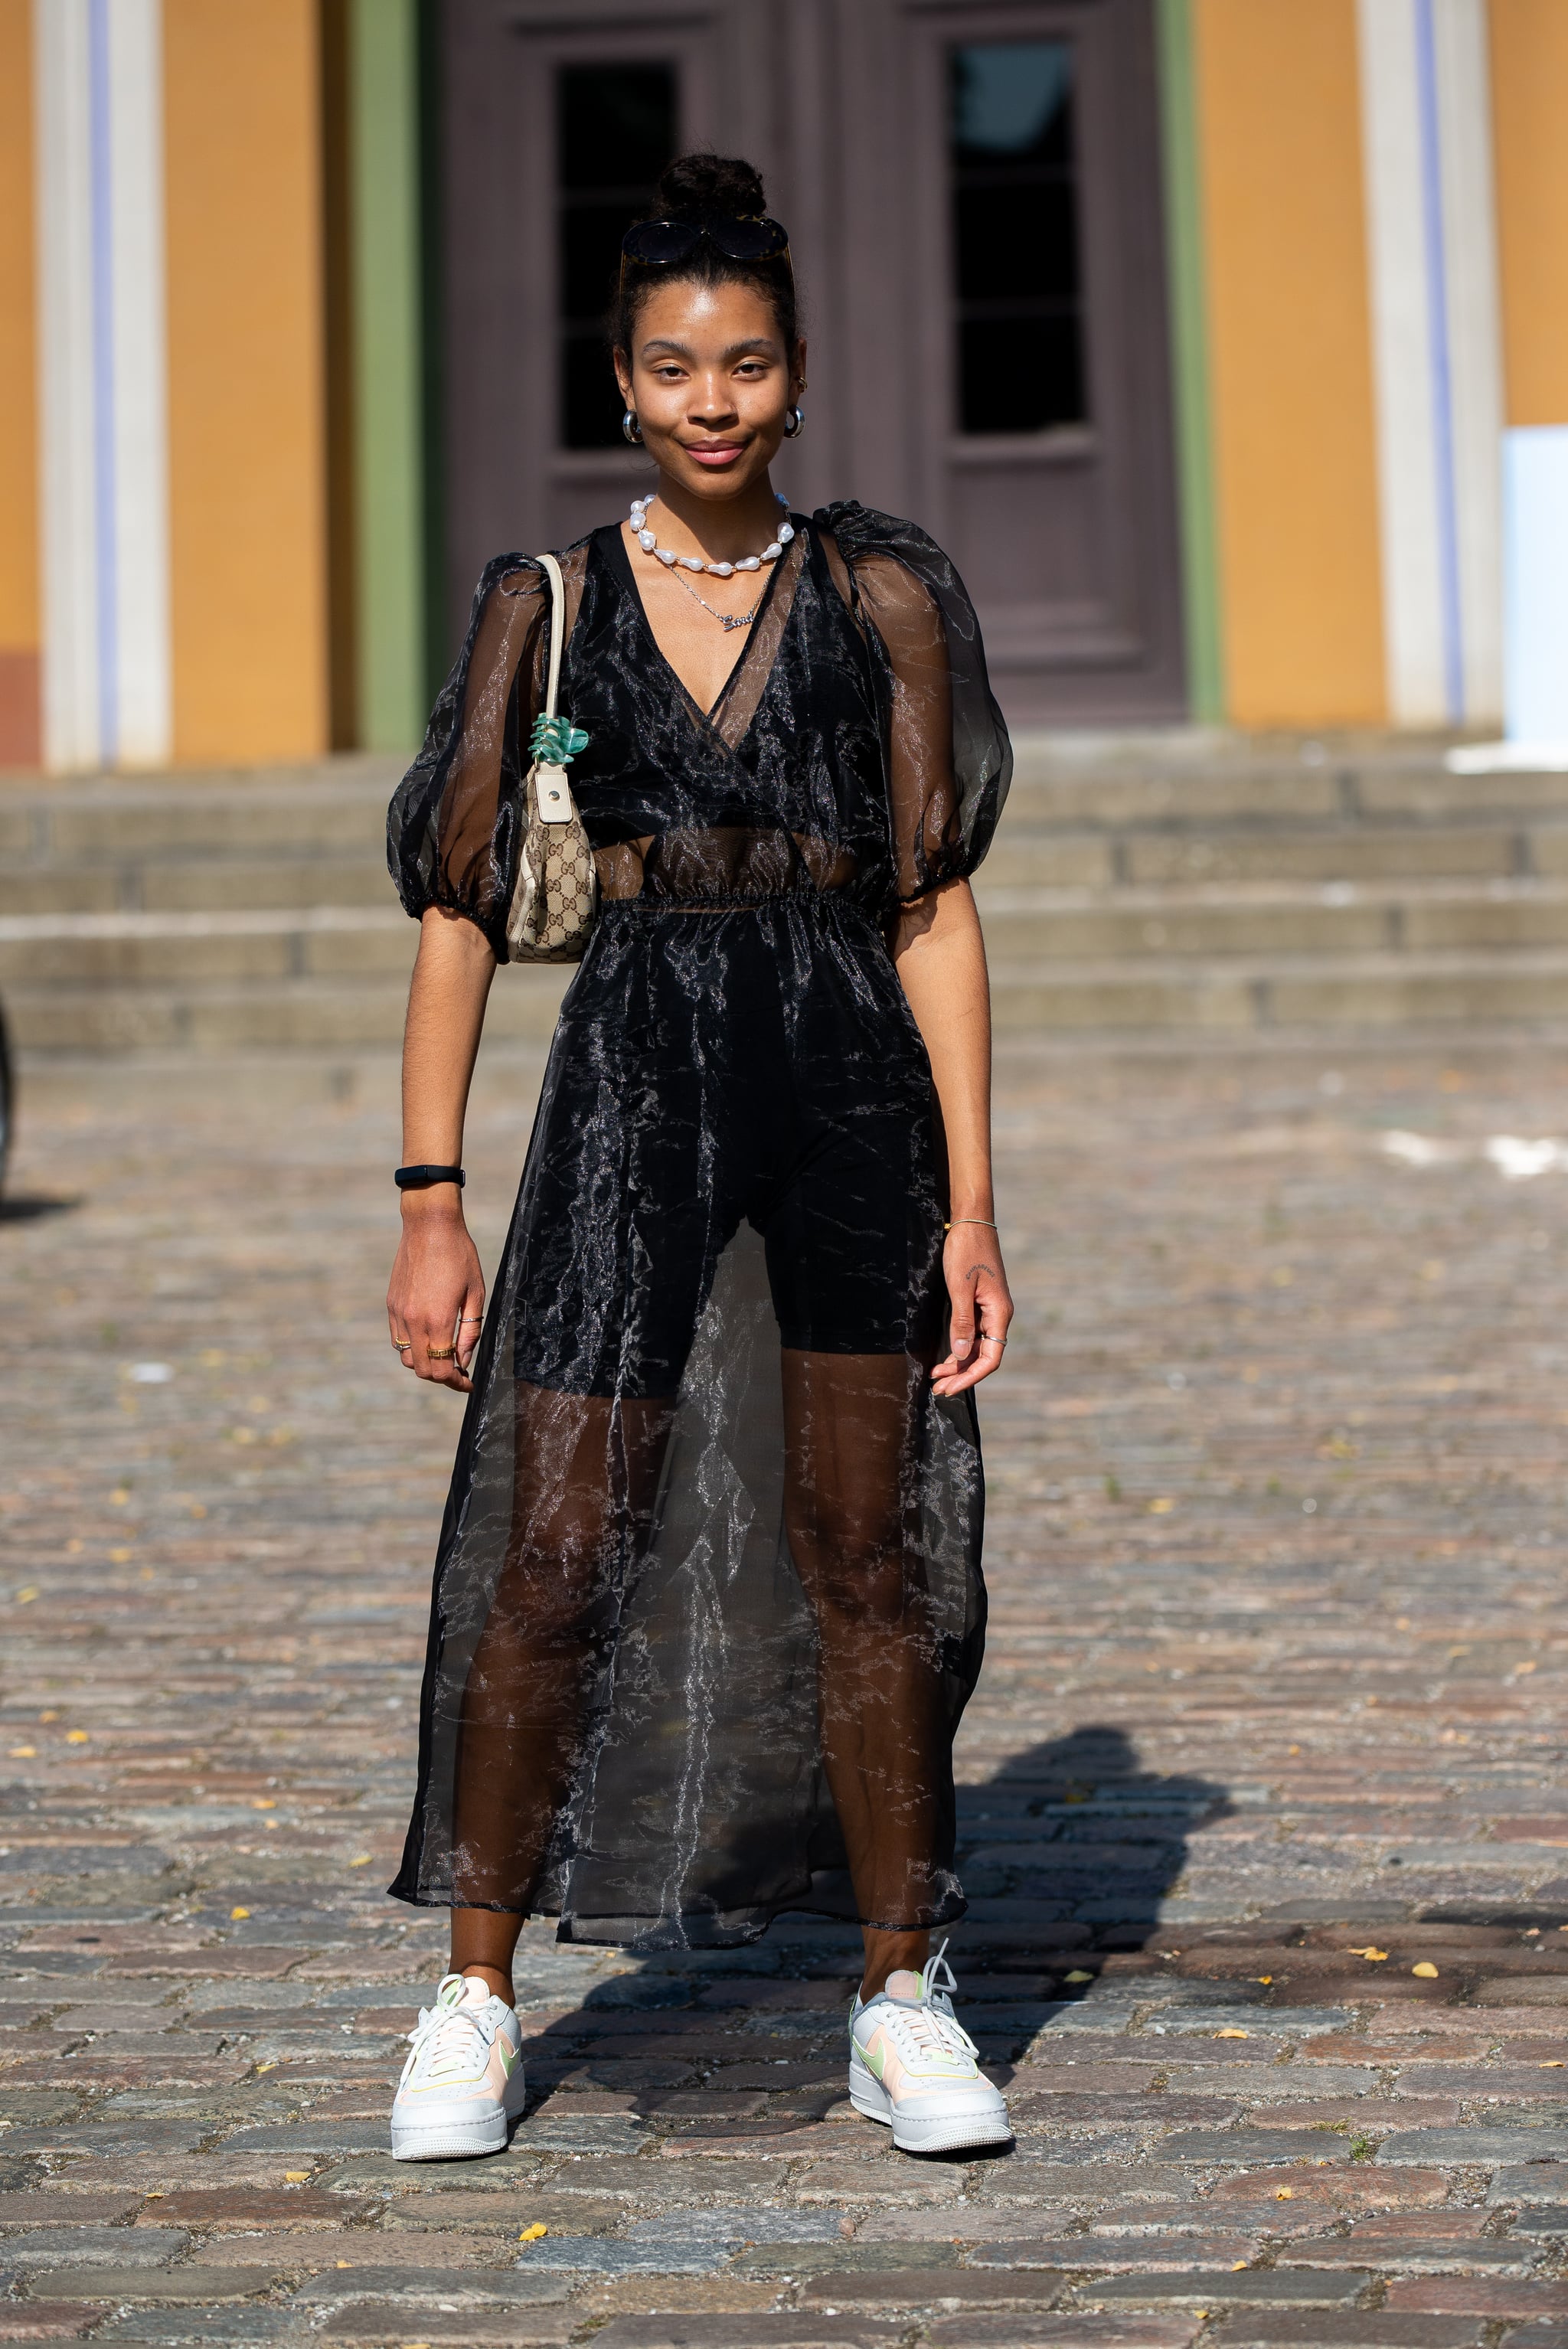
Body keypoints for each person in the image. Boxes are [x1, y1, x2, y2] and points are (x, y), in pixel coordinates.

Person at [381, 152, 1014, 2162]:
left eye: (747, 361)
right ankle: (473, 1996)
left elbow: (934, 904)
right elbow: (464, 909)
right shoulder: (544, 605)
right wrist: (430, 1195)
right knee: (556, 1542)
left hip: (848, 1090)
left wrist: (979, 1198)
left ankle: (902, 1993)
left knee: (869, 1548)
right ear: (625, 384)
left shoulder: (883, 590)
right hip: (635, 1081)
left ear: (799, 375)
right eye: (676, 365)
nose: (715, 396)